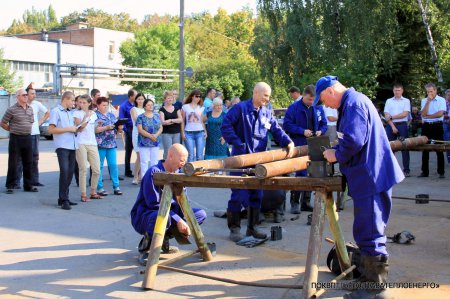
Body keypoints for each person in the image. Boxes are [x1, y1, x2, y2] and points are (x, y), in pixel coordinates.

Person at [315, 75, 404, 299]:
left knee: (370, 232)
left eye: (324, 100)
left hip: (371, 177)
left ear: (331, 91)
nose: (325, 105)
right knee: (366, 230)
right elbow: (353, 138)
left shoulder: (353, 103)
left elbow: (355, 140)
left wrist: (335, 154)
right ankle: (368, 278)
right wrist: (340, 146)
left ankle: (375, 290)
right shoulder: (352, 102)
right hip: (369, 175)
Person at [221, 82, 294, 242]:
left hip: (259, 160)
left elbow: (276, 129)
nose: (267, 99)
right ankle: (234, 229)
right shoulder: (239, 109)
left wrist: (288, 142)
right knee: (238, 193)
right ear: (256, 93)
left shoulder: (267, 113)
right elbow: (225, 126)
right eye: (265, 95)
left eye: (268, 96)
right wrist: (238, 143)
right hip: (240, 159)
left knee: (257, 194)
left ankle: (252, 228)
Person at [130, 144, 207, 255]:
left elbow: (183, 202)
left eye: (185, 161)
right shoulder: (153, 172)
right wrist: (178, 220)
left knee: (200, 214)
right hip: (146, 215)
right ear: (170, 156)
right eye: (181, 160)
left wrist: (187, 222)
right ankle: (148, 247)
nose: (183, 164)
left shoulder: (179, 174)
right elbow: (154, 205)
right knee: (162, 217)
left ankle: (163, 238)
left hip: (170, 215)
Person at [283, 84, 327, 214]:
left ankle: (306, 202)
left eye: (313, 100)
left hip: (315, 143)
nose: (311, 102)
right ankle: (295, 203)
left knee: (312, 173)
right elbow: (287, 124)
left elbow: (324, 123)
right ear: (303, 95)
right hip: (299, 143)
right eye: (309, 99)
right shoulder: (294, 108)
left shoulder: (318, 107)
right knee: (300, 173)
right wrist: (302, 131)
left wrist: (321, 131)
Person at [48, 91, 79, 210]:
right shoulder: (56, 111)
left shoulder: (71, 113)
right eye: (72, 100)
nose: (73, 103)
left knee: (70, 172)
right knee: (65, 171)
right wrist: (68, 129)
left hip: (72, 145)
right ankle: (63, 199)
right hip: (62, 146)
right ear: (65, 99)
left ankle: (64, 197)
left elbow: (73, 128)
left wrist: (77, 127)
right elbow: (51, 129)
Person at [1, 89, 36, 194]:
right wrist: (11, 129)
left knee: (29, 162)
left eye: (26, 95)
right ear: (18, 97)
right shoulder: (12, 109)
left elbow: (31, 122)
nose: (26, 96)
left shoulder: (30, 109)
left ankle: (28, 185)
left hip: (28, 137)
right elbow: (3, 122)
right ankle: (10, 186)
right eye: (24, 95)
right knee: (13, 162)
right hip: (16, 138)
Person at [15, 84, 49, 188]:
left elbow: (48, 113)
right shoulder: (19, 105)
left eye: (35, 93)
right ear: (26, 94)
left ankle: (34, 180)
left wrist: (40, 122)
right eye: (32, 94)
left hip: (34, 135)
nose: (34, 95)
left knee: (34, 158)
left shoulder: (37, 104)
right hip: (23, 134)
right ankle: (16, 182)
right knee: (20, 159)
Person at [73, 95, 102, 202]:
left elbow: (93, 128)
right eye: (80, 102)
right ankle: (83, 194)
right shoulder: (76, 113)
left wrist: (99, 126)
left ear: (89, 103)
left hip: (92, 143)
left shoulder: (94, 113)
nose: (81, 104)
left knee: (96, 169)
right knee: (83, 168)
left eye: (84, 102)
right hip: (81, 143)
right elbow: (79, 128)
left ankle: (93, 191)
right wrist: (86, 118)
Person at [95, 97, 123, 196]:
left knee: (113, 165)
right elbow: (95, 130)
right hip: (100, 144)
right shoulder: (95, 115)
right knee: (99, 166)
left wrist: (119, 128)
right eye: (103, 105)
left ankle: (116, 186)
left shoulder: (111, 115)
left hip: (111, 143)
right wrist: (106, 127)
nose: (105, 107)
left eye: (107, 105)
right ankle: (100, 187)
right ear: (98, 105)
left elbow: (117, 130)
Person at [418, 83, 446, 178]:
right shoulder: (424, 100)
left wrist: (428, 116)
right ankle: (424, 172)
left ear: (435, 90)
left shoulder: (441, 100)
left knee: (439, 148)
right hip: (426, 126)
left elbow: (440, 113)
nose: (429, 93)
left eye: (431, 91)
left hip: (437, 125)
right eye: (428, 91)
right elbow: (423, 113)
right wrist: (428, 102)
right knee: (425, 148)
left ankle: (441, 172)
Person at [384, 84, 411, 177]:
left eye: (399, 90)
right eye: (395, 90)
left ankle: (406, 170)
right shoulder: (388, 101)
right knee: (390, 148)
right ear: (393, 91)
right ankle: (390, 169)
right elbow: (386, 115)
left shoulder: (406, 101)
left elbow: (405, 114)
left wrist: (392, 117)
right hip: (391, 125)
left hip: (402, 125)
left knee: (404, 147)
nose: (397, 92)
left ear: (402, 91)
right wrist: (392, 126)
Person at [136, 98, 162, 176]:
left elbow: (161, 127)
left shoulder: (157, 116)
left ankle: (154, 179)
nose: (150, 106)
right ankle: (144, 179)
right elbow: (140, 130)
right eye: (148, 105)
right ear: (144, 106)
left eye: (152, 105)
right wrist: (150, 136)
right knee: (144, 162)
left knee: (154, 162)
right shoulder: (140, 117)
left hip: (155, 141)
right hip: (144, 142)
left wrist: (156, 135)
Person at [181, 90, 207, 162]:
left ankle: (200, 172)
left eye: (200, 97)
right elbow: (182, 121)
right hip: (188, 133)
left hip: (200, 132)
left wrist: (205, 131)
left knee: (200, 155)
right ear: (192, 96)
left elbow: (202, 121)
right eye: (197, 96)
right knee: (191, 155)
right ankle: (190, 172)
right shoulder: (185, 107)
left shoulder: (201, 107)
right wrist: (182, 133)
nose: (198, 98)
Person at [119, 88, 137, 178]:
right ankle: (127, 170)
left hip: (137, 128)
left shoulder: (136, 105)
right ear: (131, 96)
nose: (137, 96)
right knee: (129, 150)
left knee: (139, 150)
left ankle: (138, 170)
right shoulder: (123, 106)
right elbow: (122, 119)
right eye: (135, 95)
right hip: (129, 129)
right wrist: (126, 130)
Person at [159, 90, 182, 160]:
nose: (170, 99)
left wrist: (171, 120)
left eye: (171, 98)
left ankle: (176, 168)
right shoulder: (162, 109)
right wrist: (175, 121)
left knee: (176, 151)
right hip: (166, 133)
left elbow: (180, 120)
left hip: (176, 133)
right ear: (165, 99)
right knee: (168, 151)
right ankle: (166, 168)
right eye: (168, 98)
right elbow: (163, 122)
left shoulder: (177, 108)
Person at [131, 93, 145, 184]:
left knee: (144, 156)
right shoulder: (134, 109)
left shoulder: (146, 109)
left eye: (142, 99)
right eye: (138, 99)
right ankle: (135, 176)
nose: (140, 101)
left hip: (146, 134)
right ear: (136, 100)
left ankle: (141, 176)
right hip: (137, 133)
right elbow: (137, 121)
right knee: (139, 156)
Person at [444, 89, 450, 164]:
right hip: (445, 124)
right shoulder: (443, 102)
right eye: (448, 95)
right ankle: (449, 159)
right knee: (447, 142)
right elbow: (440, 114)